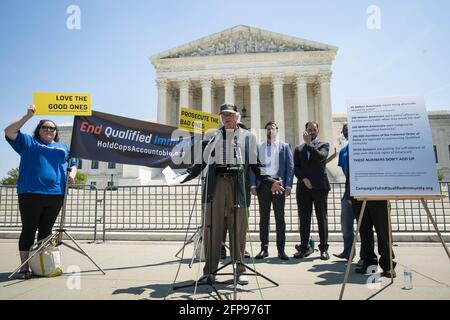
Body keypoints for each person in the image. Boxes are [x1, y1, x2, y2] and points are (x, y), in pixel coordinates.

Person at [181, 103, 284, 285]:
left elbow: (256, 166)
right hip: (216, 184)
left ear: (237, 117)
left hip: (238, 184)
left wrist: (270, 182)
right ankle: (210, 271)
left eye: (230, 115)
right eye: (223, 115)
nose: (226, 118)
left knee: (239, 228)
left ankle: (240, 270)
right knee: (212, 228)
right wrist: (183, 176)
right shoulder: (212, 135)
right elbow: (200, 163)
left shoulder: (248, 137)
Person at [4, 105, 77, 279]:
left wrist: (72, 174)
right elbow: (8, 131)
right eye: (45, 127)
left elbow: (73, 163)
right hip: (30, 192)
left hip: (56, 194)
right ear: (39, 130)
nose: (49, 130)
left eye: (52, 128)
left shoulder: (62, 147)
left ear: (56, 132)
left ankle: (41, 266)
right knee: (29, 230)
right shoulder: (29, 142)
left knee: (46, 231)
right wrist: (27, 116)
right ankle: (24, 268)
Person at [250, 121, 294, 260]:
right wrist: (252, 185)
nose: (270, 131)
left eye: (273, 129)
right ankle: (264, 248)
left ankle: (281, 250)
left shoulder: (284, 147)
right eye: (268, 129)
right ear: (266, 131)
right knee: (264, 218)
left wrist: (288, 185)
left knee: (280, 218)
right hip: (263, 185)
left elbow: (290, 167)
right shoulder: (259, 147)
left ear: (277, 131)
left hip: (279, 184)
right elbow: (254, 167)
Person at [293, 121, 330, 260]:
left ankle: (324, 249)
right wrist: (303, 179)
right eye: (309, 129)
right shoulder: (299, 149)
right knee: (304, 219)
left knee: (322, 219)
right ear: (305, 131)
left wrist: (309, 144)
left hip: (320, 188)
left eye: (314, 129)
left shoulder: (324, 145)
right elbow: (296, 167)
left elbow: (320, 158)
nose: (312, 131)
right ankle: (303, 248)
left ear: (318, 131)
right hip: (303, 188)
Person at [352, 199, 396, 277]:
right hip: (358, 196)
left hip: (378, 195)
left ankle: (388, 265)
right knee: (364, 232)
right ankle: (368, 262)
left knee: (383, 232)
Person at [333, 123, 356, 261]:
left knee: (364, 226)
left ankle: (367, 256)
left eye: (349, 130)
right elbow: (346, 174)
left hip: (363, 192)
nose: (346, 133)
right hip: (348, 192)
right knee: (346, 224)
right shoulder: (343, 152)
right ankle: (348, 251)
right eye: (345, 131)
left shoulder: (365, 149)